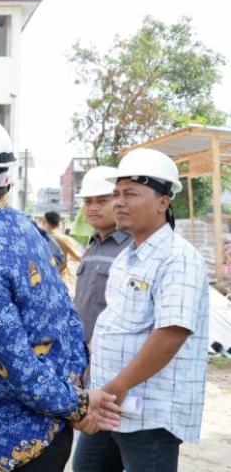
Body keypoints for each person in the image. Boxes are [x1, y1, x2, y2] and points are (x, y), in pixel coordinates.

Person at [0, 113, 120, 471]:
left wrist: (77, 407)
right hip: (35, 432)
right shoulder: (20, 226)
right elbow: (63, 318)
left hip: (6, 445)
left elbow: (12, 359)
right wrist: (73, 397)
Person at [74, 148, 210, 472]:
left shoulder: (178, 258)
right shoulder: (127, 258)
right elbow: (112, 323)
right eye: (117, 194)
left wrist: (116, 388)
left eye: (131, 194)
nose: (119, 202)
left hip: (149, 412)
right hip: (111, 402)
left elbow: (170, 334)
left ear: (163, 202)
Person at [73, 167, 131, 345]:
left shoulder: (132, 249)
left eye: (102, 201)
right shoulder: (92, 247)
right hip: (83, 352)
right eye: (88, 202)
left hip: (113, 354)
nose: (93, 208)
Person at [42, 211, 83, 286]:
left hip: (43, 278)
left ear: (44, 221)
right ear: (58, 224)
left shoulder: (38, 238)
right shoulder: (66, 240)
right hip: (61, 279)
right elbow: (78, 257)